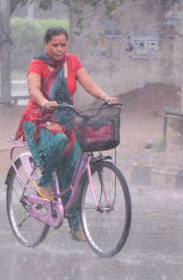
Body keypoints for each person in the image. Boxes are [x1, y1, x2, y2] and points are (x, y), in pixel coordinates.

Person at [14, 27, 119, 242]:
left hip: (65, 119)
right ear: (46, 45)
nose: (60, 49)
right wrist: (44, 101)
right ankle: (44, 183)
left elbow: (88, 84)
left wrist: (105, 97)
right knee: (60, 140)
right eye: (55, 45)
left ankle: (75, 225)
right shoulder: (38, 64)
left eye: (63, 45)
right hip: (39, 121)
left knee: (74, 169)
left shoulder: (72, 62)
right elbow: (33, 89)